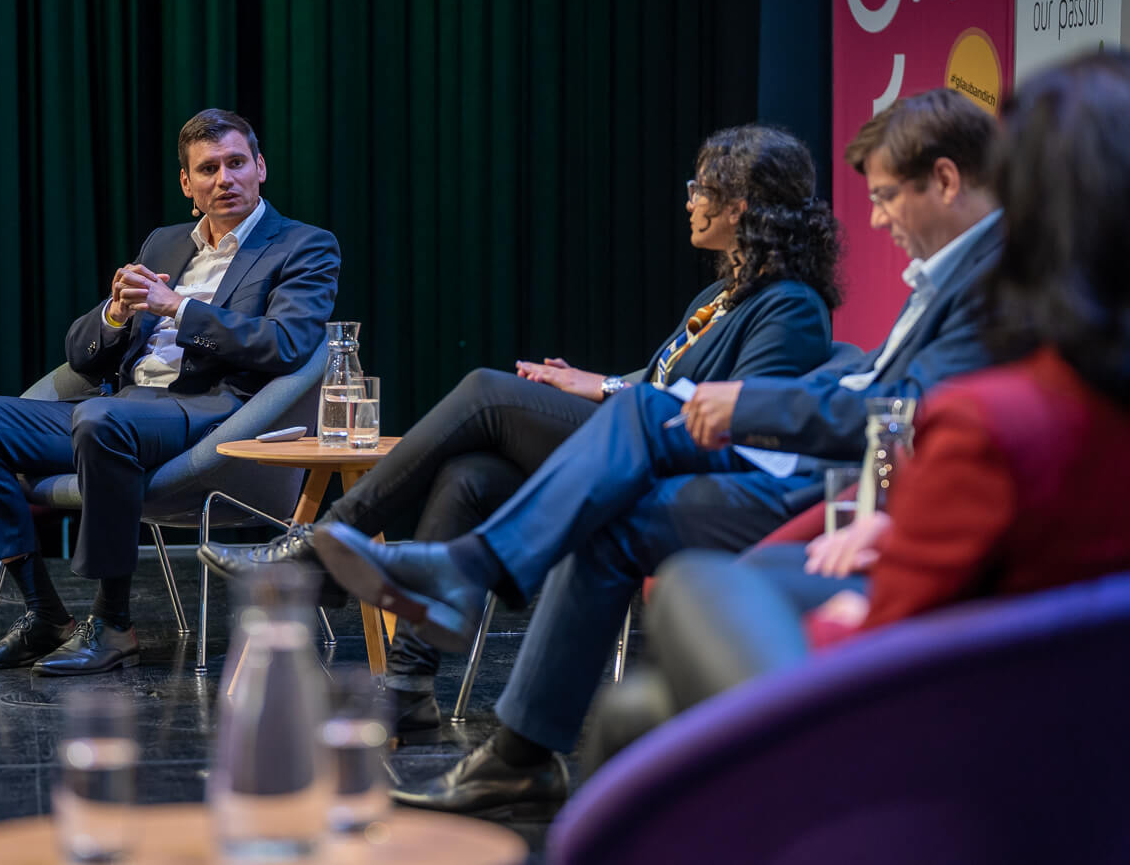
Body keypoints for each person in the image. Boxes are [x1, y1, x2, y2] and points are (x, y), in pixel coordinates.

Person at [310, 87, 1005, 818]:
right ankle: (511, 748)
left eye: (887, 195)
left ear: (946, 180)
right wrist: (621, 385)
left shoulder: (983, 282)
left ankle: (434, 578)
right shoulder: (944, 276)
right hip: (805, 471)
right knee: (550, 488)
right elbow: (873, 385)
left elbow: (910, 408)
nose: (876, 217)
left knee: (525, 403)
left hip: (812, 486)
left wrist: (750, 403)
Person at [200, 124, 843, 732]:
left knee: (486, 393)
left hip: (679, 469)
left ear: (741, 206)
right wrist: (599, 382)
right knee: (470, 476)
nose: (690, 201)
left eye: (701, 188)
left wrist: (612, 393)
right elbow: (664, 380)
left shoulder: (790, 306)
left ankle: (323, 545)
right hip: (640, 439)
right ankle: (406, 687)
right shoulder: (719, 297)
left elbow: (742, 421)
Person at [613, 48, 1130, 756]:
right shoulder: (1059, 402)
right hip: (1071, 722)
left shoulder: (992, 419)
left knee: (689, 594)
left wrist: (855, 597)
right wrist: (892, 527)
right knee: (641, 710)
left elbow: (891, 629)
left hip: (929, 729)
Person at [0, 109, 340, 676]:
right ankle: (44, 612)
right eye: (209, 169)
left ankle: (113, 623)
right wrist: (116, 313)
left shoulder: (303, 245)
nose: (225, 179)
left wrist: (180, 309)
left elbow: (289, 343)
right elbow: (81, 356)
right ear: (187, 184)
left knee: (101, 421)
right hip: (117, 409)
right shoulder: (164, 242)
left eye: (236, 163)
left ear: (260, 167)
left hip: (210, 415)